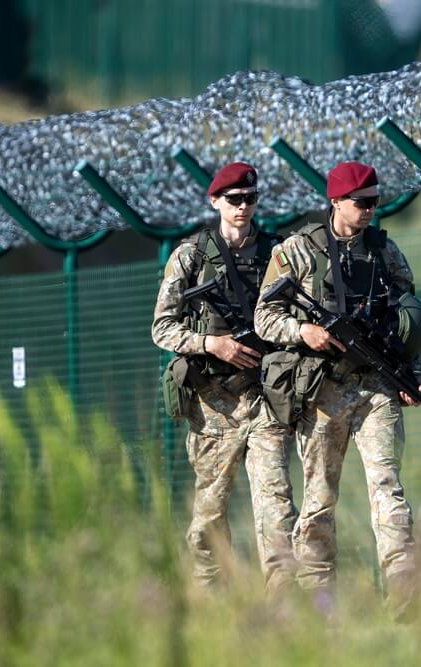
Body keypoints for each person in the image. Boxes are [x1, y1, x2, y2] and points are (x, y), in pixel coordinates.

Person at [254, 161, 421, 618]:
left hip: (376, 388)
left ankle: (405, 588)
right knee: (319, 498)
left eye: (375, 202)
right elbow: (264, 318)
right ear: (335, 201)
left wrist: (412, 373)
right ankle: (317, 599)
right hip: (324, 390)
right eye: (361, 203)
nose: (370, 211)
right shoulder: (297, 252)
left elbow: (408, 320)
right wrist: (303, 331)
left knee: (387, 486)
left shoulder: (385, 253)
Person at [151, 162, 298, 593]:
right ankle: (208, 599)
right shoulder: (191, 256)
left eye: (251, 199)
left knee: (277, 507)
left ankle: (283, 604)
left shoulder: (276, 253)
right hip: (214, 406)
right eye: (234, 200)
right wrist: (212, 344)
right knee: (209, 516)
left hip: (265, 397)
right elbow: (162, 327)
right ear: (215, 201)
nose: (243, 207)